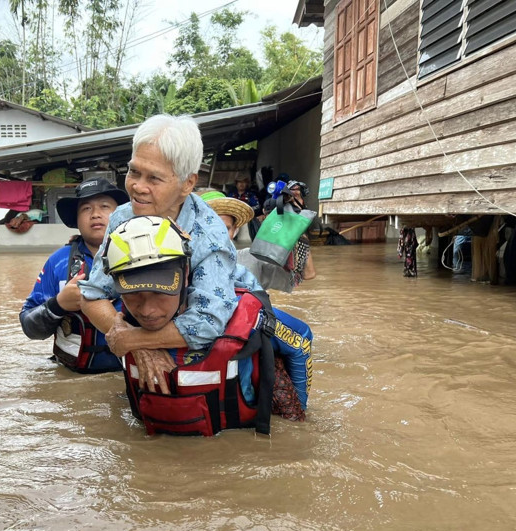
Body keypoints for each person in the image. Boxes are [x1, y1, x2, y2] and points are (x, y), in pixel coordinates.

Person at [80, 114, 262, 388]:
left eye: (154, 178)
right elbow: (92, 295)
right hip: (161, 318)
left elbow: (209, 320)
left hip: (227, 301)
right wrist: (139, 343)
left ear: (187, 184)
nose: (138, 187)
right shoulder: (121, 219)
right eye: (134, 172)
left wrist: (134, 339)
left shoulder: (208, 231)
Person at [102, 216, 314, 436]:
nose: (147, 310)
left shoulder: (240, 314)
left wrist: (297, 417)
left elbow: (301, 340)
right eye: (133, 294)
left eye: (160, 292)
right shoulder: (118, 325)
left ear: (185, 275)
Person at [19, 177, 129, 373]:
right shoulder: (58, 262)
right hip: (73, 376)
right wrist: (58, 304)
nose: (95, 214)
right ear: (76, 220)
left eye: (104, 206)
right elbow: (29, 327)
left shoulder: (144, 255)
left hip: (127, 376)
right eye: (86, 209)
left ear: (122, 214)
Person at [227, 171, 262, 239]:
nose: (241, 184)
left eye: (244, 182)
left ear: (247, 184)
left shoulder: (251, 195)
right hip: (234, 220)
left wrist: (246, 209)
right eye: (239, 182)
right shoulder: (231, 195)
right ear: (236, 184)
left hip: (248, 221)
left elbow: (257, 206)